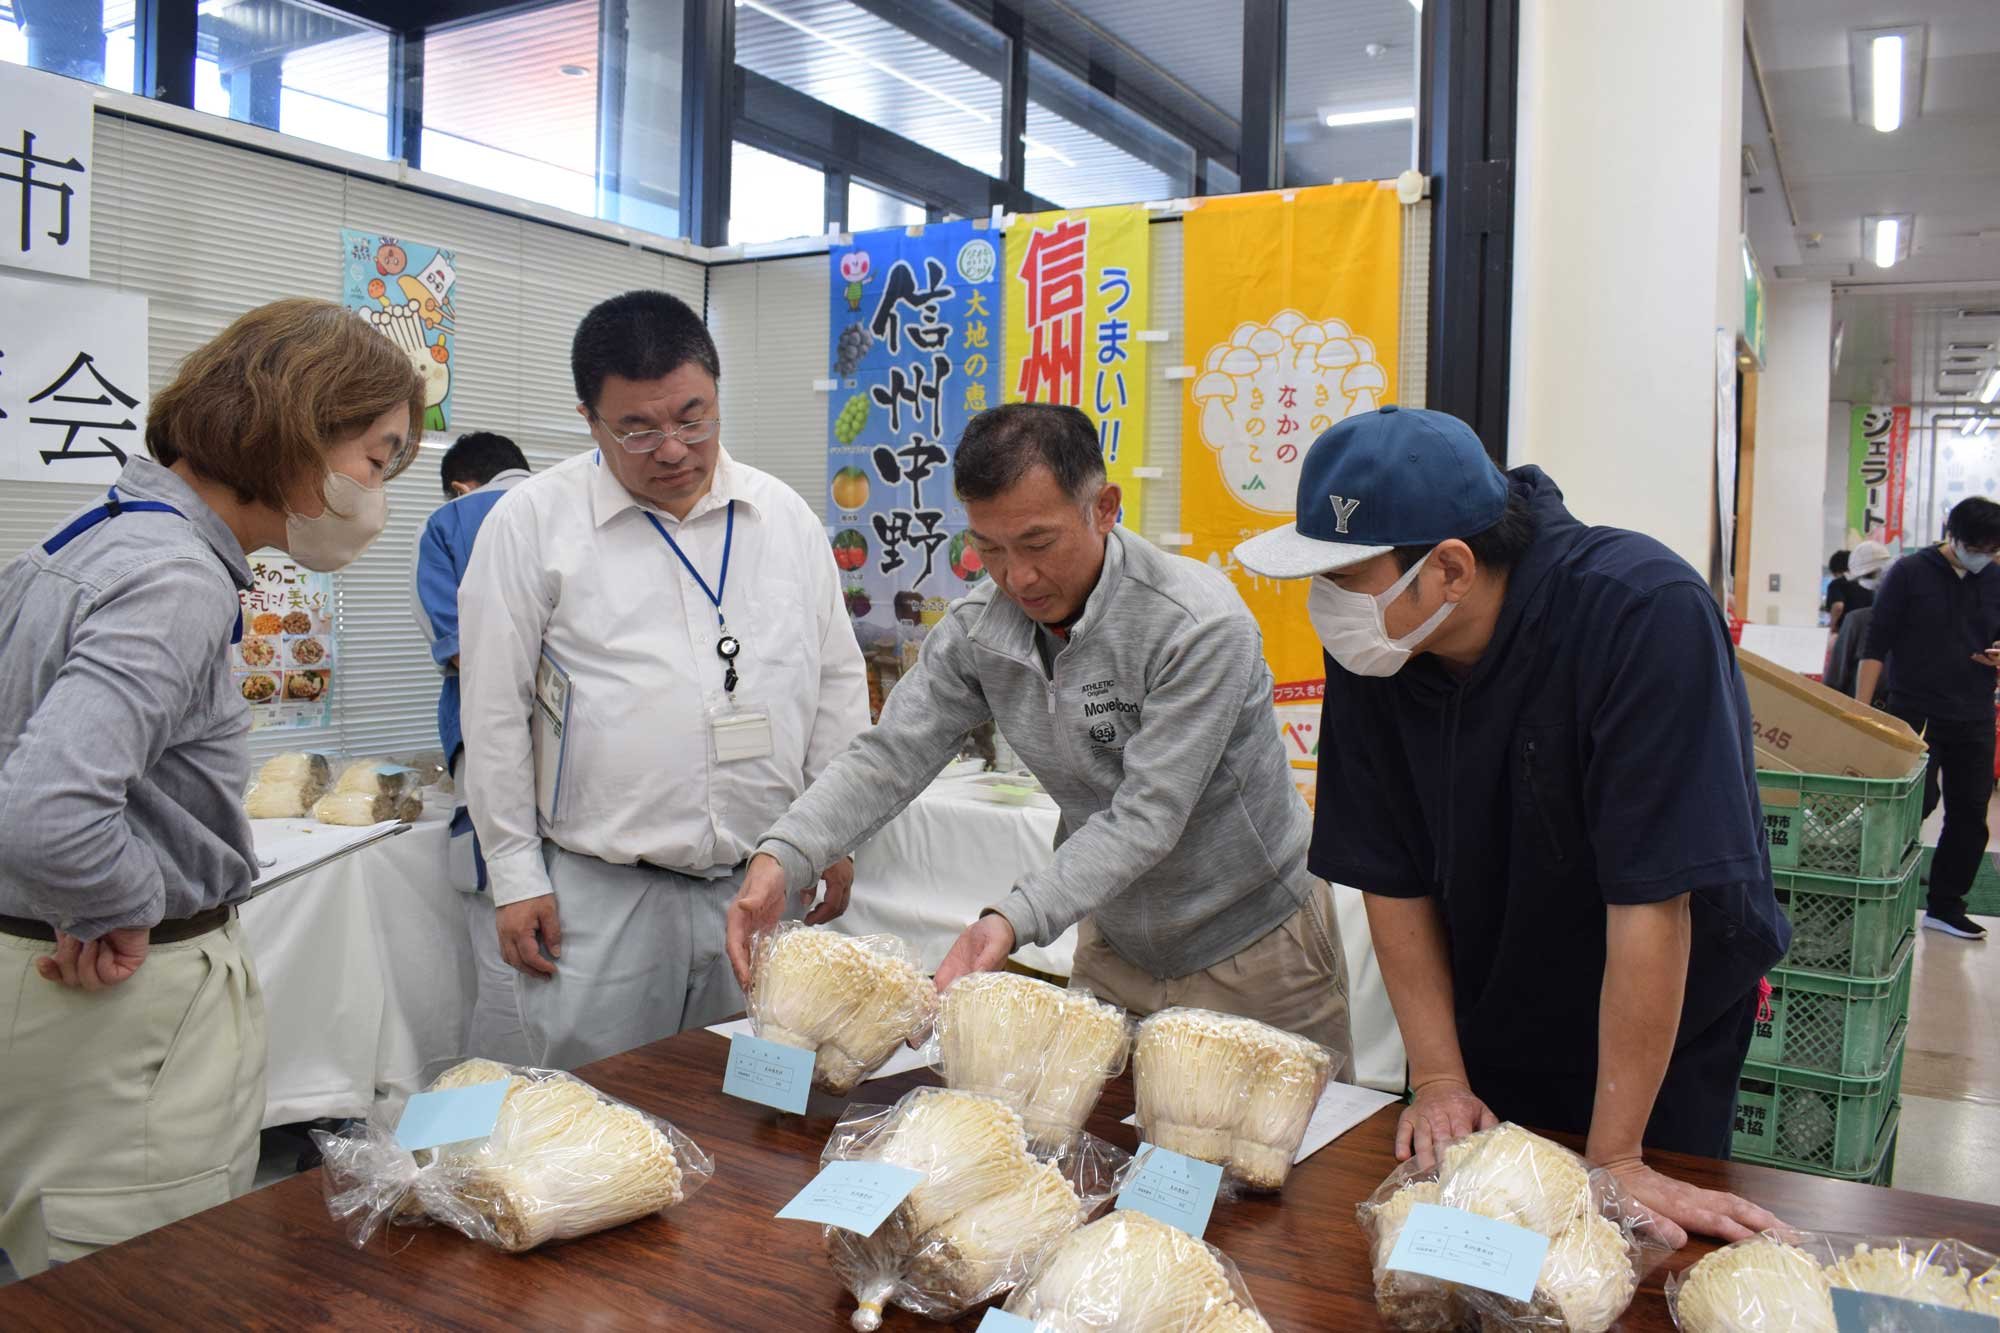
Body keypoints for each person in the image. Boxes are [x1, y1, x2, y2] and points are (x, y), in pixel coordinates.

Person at [1233, 405, 1789, 1249]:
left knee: (1629, 1253)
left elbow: (1653, 899)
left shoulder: (1642, 612)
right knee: (1481, 1257)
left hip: (1655, 1034)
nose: (1326, 604)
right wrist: (1440, 1076)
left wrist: (1619, 1155)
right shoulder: (1383, 643)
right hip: (1494, 1002)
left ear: (1451, 568)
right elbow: (1390, 870)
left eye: (1345, 576)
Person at [727, 402, 1354, 1059]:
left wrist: (1012, 917)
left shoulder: (1194, 624)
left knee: (1282, 1125)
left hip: (1254, 946)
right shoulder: (981, 629)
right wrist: (784, 853)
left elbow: (1148, 815)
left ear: (1104, 508)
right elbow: (891, 754)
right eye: (989, 549)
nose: (1017, 577)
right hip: (1116, 944)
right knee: (1094, 1125)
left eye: (1037, 543)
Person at [0, 299, 421, 1277]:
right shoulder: (176, 577)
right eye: (377, 458)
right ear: (299, 428)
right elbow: (47, 810)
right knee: (148, 1281)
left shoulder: (89, 538)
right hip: (121, 1011)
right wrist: (120, 903)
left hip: (46, 981)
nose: (377, 493)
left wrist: (81, 892)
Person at [458, 290, 869, 1069]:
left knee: (761, 1096)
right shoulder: (531, 523)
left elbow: (838, 688)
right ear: (590, 420)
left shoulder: (784, 519)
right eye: (639, 429)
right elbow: (494, 710)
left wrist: (835, 834)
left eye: (693, 417)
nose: (674, 449)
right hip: (603, 897)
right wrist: (513, 872)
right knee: (600, 1107)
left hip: (765, 882)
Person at [412, 431, 533, 1065]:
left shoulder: (450, 523)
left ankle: (491, 1111)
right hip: (600, 762)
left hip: (491, 752)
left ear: (460, 485)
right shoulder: (578, 503)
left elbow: (459, 650)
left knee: (504, 944)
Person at [1857, 498, 2000, 942]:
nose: (1983, 556)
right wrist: (1860, 714)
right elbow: (1875, 643)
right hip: (1915, 710)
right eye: (1976, 547)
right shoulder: (1909, 573)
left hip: (1974, 711)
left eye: (1992, 549)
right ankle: (1874, 892)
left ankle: (1945, 906)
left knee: (1971, 812)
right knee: (1915, 803)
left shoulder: (1995, 576)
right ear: (1952, 535)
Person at [1826, 541, 1891, 700]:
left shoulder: (1856, 620)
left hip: (1864, 704)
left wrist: (1832, 627)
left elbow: (1835, 680)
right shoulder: (1913, 616)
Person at [1825, 549, 1855, 631]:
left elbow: (1838, 606)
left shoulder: (1837, 584)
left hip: (1845, 630)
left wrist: (1832, 626)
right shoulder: (1865, 583)